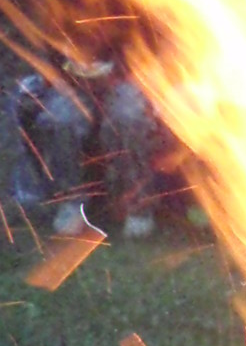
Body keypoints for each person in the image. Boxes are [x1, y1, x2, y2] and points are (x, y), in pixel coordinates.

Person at [10, 54, 164, 239]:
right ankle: (72, 201)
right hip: (74, 82)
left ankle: (138, 206)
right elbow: (50, 53)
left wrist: (122, 70)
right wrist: (64, 73)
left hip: (128, 77)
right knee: (61, 120)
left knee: (127, 119)